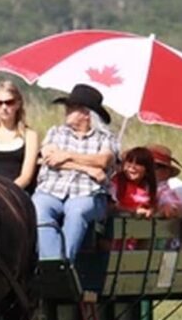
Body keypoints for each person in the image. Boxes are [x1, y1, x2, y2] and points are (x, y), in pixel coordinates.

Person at [32, 84, 119, 261]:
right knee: (39, 207)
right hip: (52, 189)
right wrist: (87, 168)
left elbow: (103, 160)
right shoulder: (55, 133)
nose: (66, 110)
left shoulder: (106, 138)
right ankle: (53, 262)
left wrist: (67, 155)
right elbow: (49, 157)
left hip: (88, 193)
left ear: (86, 113)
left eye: (71, 108)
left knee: (76, 210)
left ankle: (64, 263)